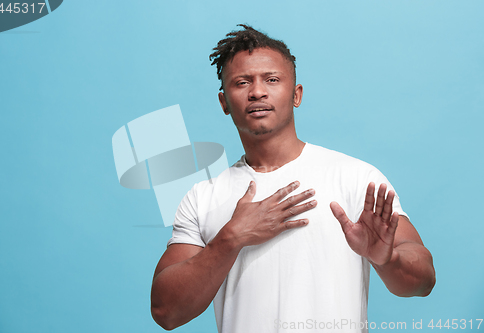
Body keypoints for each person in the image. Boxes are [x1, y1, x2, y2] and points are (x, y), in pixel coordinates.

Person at [150, 24, 435, 333]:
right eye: (242, 82)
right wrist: (230, 238)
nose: (257, 91)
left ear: (296, 94)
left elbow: (424, 281)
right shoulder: (202, 196)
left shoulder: (355, 177)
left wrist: (387, 259)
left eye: (272, 80)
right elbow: (166, 311)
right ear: (224, 103)